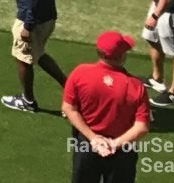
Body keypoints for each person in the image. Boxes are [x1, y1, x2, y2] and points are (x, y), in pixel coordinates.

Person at [62, 32, 151, 183]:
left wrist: (93, 138)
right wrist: (114, 144)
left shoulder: (80, 73)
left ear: (100, 53)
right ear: (122, 56)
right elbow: (142, 127)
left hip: (87, 145)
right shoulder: (135, 86)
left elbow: (68, 108)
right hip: (122, 148)